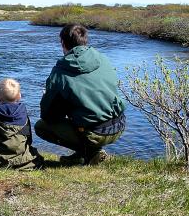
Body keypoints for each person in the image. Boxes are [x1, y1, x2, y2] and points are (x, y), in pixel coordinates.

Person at [35, 23, 126, 165]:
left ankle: (91, 153)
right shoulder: (102, 58)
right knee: (82, 116)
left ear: (62, 43)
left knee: (41, 127)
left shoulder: (60, 72)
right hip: (119, 125)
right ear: (85, 40)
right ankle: (82, 154)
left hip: (96, 133)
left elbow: (48, 116)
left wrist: (49, 97)